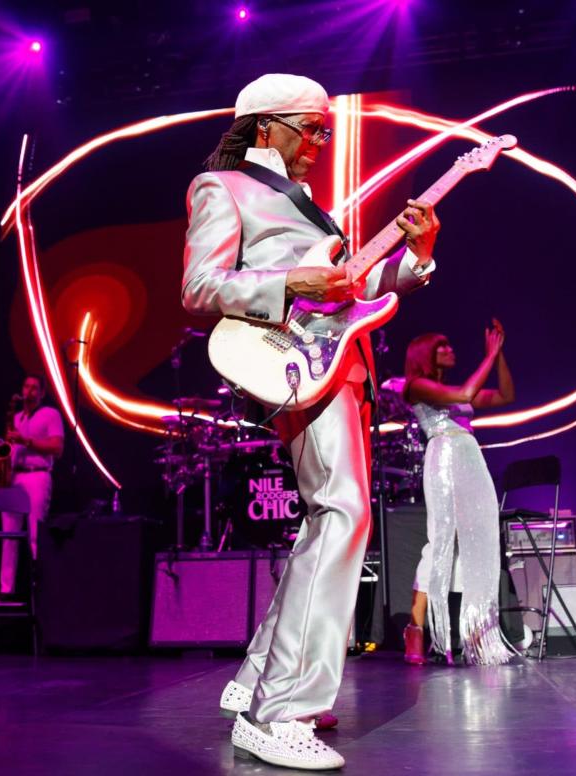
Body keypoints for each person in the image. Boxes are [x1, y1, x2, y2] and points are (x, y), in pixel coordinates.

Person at [182, 73, 440, 769]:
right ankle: (280, 709)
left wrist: (417, 259)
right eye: (313, 128)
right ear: (266, 126)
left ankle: (256, 682)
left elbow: (353, 294)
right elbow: (199, 288)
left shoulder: (307, 209)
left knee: (329, 520)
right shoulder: (224, 188)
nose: (324, 142)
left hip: (340, 367)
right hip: (290, 367)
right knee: (343, 513)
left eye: (327, 129)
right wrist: (293, 282)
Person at [402, 321, 515, 665]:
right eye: (444, 346)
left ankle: (477, 630)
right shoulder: (417, 386)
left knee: (477, 541)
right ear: (427, 353)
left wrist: (499, 357)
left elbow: (506, 396)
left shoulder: (448, 388)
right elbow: (466, 394)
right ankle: (416, 629)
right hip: (445, 460)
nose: (452, 351)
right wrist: (490, 353)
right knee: (440, 542)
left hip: (471, 461)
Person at [0, 375, 64, 601]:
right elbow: (10, 449)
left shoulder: (50, 414)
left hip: (37, 476)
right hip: (15, 477)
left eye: (35, 388)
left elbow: (57, 447)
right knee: (9, 535)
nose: (29, 391)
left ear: (42, 393)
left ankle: (39, 589)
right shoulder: (16, 417)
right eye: (26, 386)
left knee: (35, 533)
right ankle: (6, 590)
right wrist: (1, 459)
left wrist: (26, 441)